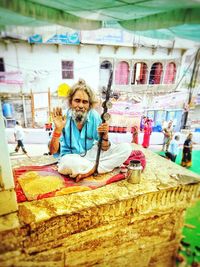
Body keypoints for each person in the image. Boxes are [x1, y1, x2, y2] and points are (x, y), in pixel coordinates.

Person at [49, 79, 132, 182]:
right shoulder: (62, 118)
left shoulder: (94, 116)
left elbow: (104, 148)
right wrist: (57, 130)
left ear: (89, 104)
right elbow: (52, 151)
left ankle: (90, 170)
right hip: (71, 158)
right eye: (77, 100)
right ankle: (97, 168)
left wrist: (105, 136)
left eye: (85, 102)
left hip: (90, 155)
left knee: (126, 148)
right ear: (71, 102)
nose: (81, 106)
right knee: (67, 163)